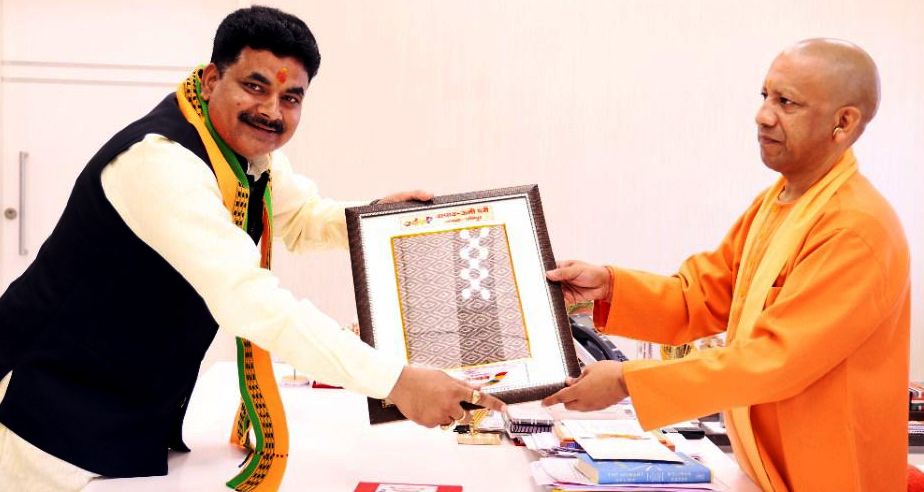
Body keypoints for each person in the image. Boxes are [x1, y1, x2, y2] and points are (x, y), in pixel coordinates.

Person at [0, 6, 502, 491]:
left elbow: (301, 218)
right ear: (212, 79)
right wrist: (396, 382)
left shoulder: (241, 153)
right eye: (255, 86)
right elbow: (250, 301)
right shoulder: (159, 163)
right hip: (46, 418)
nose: (271, 111)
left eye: (290, 97)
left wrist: (376, 219)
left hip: (125, 412)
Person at [542, 38, 909, 492]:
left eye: (787, 102)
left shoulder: (855, 228)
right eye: (765, 96)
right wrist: (607, 287)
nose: (763, 115)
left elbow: (774, 360)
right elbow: (699, 297)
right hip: (762, 473)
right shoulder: (777, 204)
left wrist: (627, 381)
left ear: (844, 122)